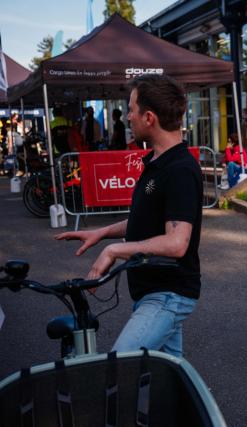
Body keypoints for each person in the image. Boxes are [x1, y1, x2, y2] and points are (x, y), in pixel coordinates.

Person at [54, 74, 203, 358]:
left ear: (149, 118)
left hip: (168, 295)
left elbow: (176, 243)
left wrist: (115, 249)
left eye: (132, 109)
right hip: (153, 293)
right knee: (168, 379)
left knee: (121, 365)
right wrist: (102, 233)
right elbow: (146, 222)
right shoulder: (159, 162)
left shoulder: (180, 169)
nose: (129, 116)